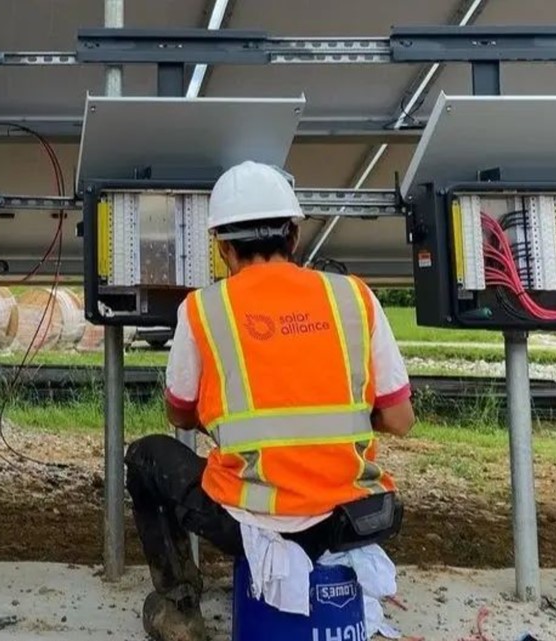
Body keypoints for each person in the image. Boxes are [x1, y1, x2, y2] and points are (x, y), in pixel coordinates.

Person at [124, 161, 416, 641]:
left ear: (223, 249)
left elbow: (178, 411)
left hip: (248, 521)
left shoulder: (202, 309)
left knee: (145, 457)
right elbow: (401, 418)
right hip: (355, 519)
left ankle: (179, 604)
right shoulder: (354, 297)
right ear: (295, 236)